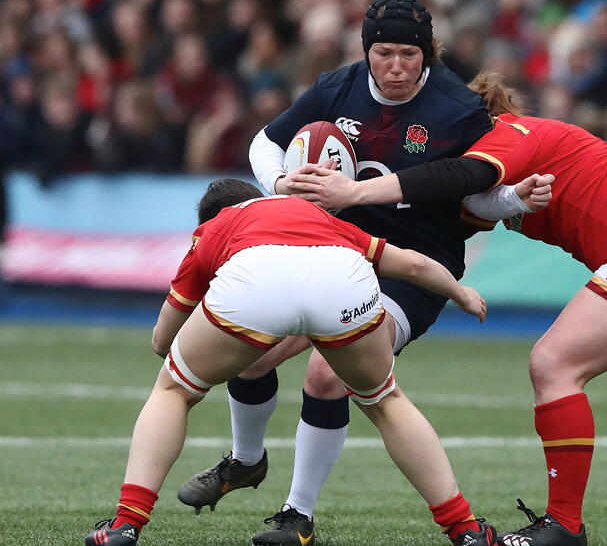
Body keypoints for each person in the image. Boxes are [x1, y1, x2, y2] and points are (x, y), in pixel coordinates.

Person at [287, 71, 607, 546]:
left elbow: (462, 172)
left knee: (553, 365)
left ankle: (564, 528)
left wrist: (351, 191)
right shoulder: (491, 172)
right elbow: (463, 204)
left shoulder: (510, 132)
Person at [176, 0, 500, 546]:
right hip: (331, 250)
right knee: (247, 350)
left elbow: (483, 190)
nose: (395, 67)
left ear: (427, 55)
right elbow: (265, 142)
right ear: (366, 52)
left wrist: (515, 198)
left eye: (408, 55)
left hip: (412, 268)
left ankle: (295, 516)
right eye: (383, 54)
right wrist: (280, 184)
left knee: (330, 373)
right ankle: (245, 460)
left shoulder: (458, 109)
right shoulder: (338, 86)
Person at [84, 178, 499, 546]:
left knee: (173, 390)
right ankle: (465, 529)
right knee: (386, 401)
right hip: (341, 279)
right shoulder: (311, 213)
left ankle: (127, 524)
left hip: (256, 282)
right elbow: (411, 263)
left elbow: (162, 339)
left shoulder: (214, 229)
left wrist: (211, 343)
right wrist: (461, 294)